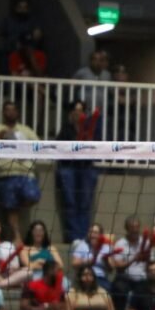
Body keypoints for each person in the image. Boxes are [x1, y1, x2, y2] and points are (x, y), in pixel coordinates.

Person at [0, 101, 40, 237]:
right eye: (7, 110)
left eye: (13, 109)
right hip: (4, 174)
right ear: (3, 112)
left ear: (18, 112)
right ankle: (17, 236)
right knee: (11, 205)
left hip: (25, 173)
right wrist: (1, 135)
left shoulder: (25, 130)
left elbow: (40, 146)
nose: (10, 112)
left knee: (33, 196)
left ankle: (15, 206)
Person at [54, 99, 99, 244]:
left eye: (81, 110)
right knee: (70, 202)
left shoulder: (90, 128)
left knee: (85, 203)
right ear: (71, 113)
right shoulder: (66, 129)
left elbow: (98, 147)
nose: (78, 113)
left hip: (86, 168)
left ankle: (83, 236)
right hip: (69, 168)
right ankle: (73, 237)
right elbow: (60, 148)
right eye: (75, 110)